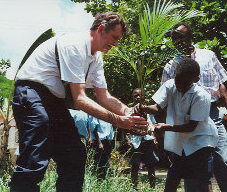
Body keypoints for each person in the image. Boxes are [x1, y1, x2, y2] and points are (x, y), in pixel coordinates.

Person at [10, 12, 148, 192]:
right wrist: (119, 121)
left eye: (118, 40)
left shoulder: (96, 57)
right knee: (34, 157)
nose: (115, 44)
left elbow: (104, 97)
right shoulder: (74, 44)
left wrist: (129, 113)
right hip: (31, 92)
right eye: (114, 37)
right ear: (100, 29)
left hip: (54, 100)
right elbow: (80, 100)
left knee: (74, 155)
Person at [161, 22, 227, 192]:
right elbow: (166, 97)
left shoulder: (208, 55)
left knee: (223, 160)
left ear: (190, 36)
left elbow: (220, 84)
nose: (178, 41)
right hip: (186, 118)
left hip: (212, 114)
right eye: (174, 38)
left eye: (181, 37)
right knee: (192, 163)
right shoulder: (171, 66)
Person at [136, 58, 218, 192]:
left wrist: (166, 127)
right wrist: (143, 108)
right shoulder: (170, 85)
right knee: (173, 177)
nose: (179, 84)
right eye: (177, 79)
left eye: (184, 82)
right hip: (181, 141)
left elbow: (192, 127)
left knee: (203, 180)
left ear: (195, 80)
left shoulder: (201, 96)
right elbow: (158, 108)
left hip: (201, 141)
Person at [126, 88, 159, 189]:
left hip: (147, 140)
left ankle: (152, 187)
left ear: (144, 97)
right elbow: (125, 127)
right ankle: (134, 187)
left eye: (140, 95)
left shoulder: (149, 111)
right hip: (135, 141)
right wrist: (128, 139)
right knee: (135, 165)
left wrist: (154, 138)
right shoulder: (129, 110)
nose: (138, 97)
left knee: (151, 165)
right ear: (132, 97)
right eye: (135, 95)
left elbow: (153, 125)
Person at [88, 115, 114, 180]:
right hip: (99, 141)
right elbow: (94, 128)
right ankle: (97, 181)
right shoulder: (95, 114)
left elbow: (109, 128)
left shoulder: (107, 114)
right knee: (98, 164)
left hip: (107, 141)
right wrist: (99, 143)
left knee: (106, 164)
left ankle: (102, 181)